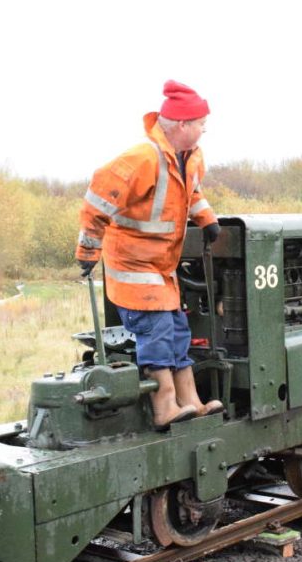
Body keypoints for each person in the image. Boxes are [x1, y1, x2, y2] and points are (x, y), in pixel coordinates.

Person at [75, 80, 224, 429]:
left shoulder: (190, 158)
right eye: (201, 123)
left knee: (177, 330)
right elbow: (96, 203)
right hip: (134, 267)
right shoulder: (140, 159)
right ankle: (164, 408)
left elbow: (192, 192)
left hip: (162, 269)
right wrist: (88, 251)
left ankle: (192, 402)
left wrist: (207, 219)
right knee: (156, 332)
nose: (205, 129)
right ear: (182, 125)